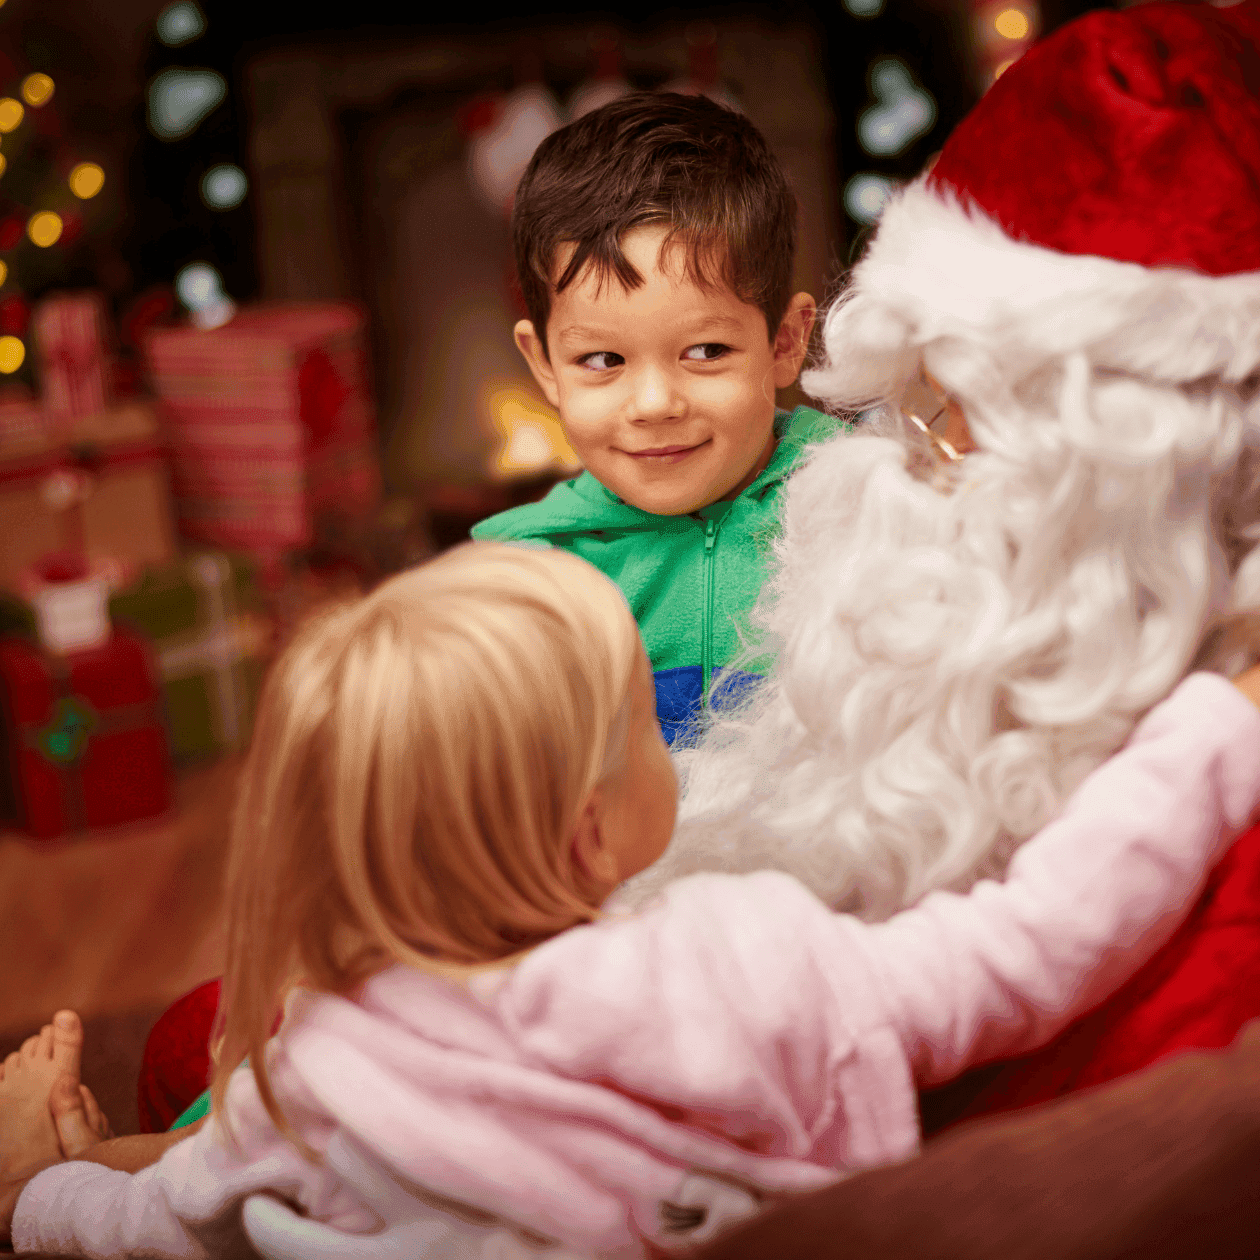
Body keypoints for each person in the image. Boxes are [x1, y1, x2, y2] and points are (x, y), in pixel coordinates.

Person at [6, 542, 1260, 1255]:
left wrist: (32, 1197)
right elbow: (1030, 943)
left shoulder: (311, 1070)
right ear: (598, 827)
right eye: (643, 728)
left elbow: (148, 1230)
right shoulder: (745, 965)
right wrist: (1216, 723)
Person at [623, 0, 1260, 1118]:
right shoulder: (986, 676)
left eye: (955, 417)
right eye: (909, 404)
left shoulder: (1162, 786)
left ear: (1138, 487)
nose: (901, 464)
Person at [470, 92, 847, 744]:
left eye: (705, 352)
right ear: (545, 366)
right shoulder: (530, 579)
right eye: (602, 359)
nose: (653, 405)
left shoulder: (858, 505)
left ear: (785, 343)